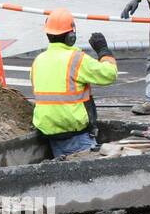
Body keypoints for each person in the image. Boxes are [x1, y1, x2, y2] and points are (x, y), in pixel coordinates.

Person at [30, 9, 119, 158]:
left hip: (50, 134)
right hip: (75, 135)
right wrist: (104, 51)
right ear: (71, 36)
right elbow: (109, 75)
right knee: (88, 176)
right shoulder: (76, 59)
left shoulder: (38, 60)